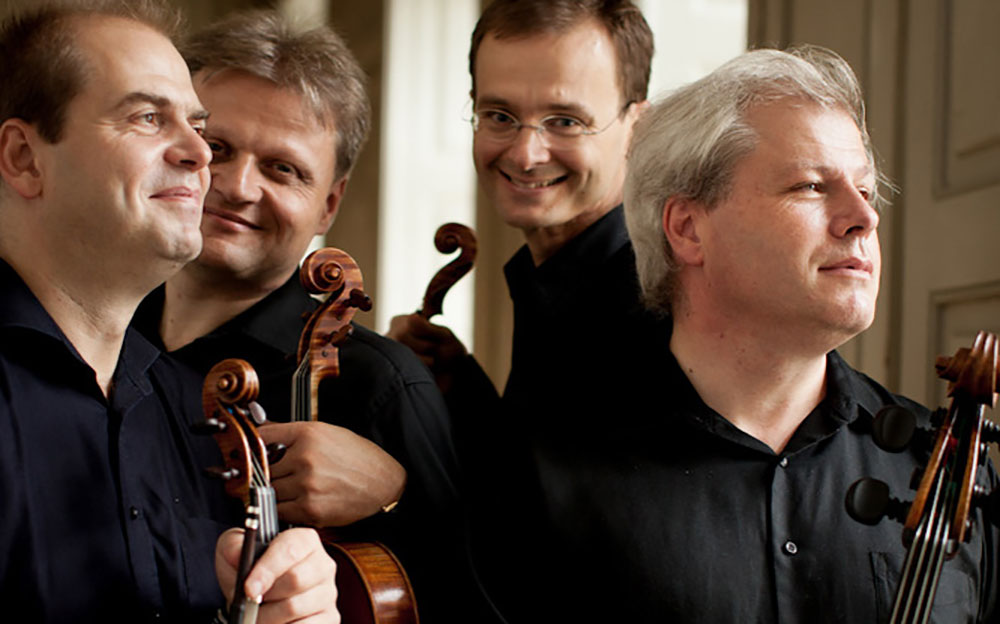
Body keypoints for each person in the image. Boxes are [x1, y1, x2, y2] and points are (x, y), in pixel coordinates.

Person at [131, 10, 488, 621]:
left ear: (329, 204)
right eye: (217, 148)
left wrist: (395, 500)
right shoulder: (102, 335)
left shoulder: (381, 387)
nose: (237, 186)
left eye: (283, 169)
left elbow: (462, 606)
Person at [620, 44, 994, 622]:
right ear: (689, 229)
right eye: (811, 186)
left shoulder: (940, 466)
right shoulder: (549, 475)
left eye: (865, 190)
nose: (865, 218)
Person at [0, 2, 338, 622]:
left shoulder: (195, 412)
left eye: (197, 125)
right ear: (24, 157)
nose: (200, 153)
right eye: (148, 117)